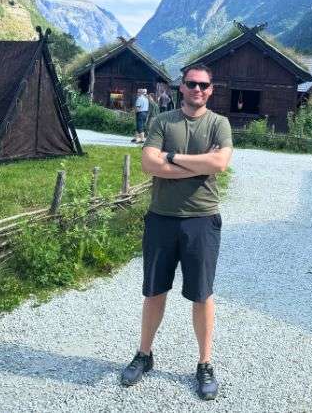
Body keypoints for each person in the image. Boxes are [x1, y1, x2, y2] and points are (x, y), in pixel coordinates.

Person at [120, 64, 233, 401]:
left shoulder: (219, 123)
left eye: (203, 85)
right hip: (162, 218)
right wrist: (197, 162)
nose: (197, 89)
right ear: (181, 87)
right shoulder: (161, 121)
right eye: (191, 84)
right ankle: (144, 354)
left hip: (202, 219)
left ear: (211, 89)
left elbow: (220, 164)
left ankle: (204, 363)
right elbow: (149, 164)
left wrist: (171, 159)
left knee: (201, 294)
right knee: (154, 291)